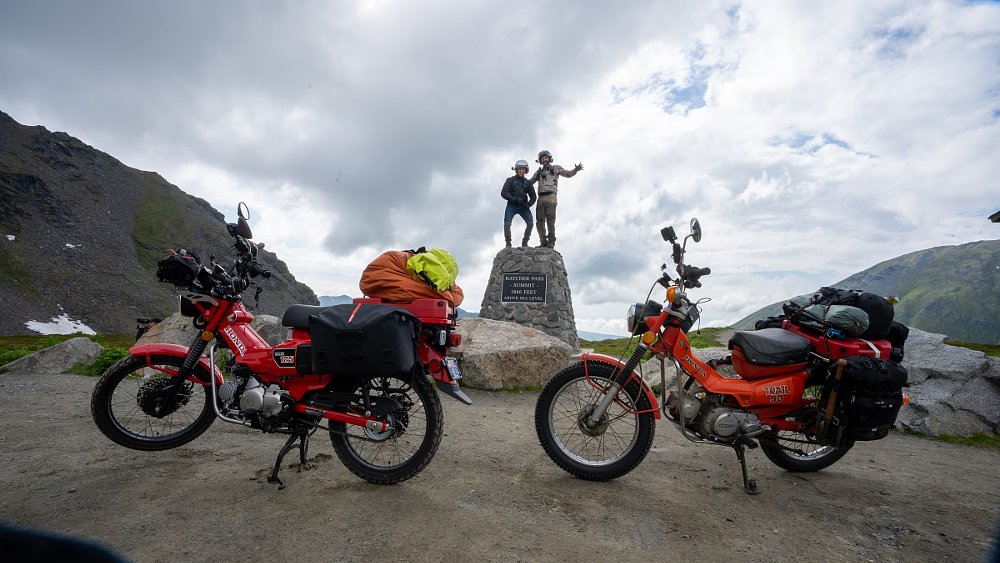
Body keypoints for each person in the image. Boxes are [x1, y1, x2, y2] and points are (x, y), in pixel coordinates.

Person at [528, 149, 582, 248]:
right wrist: (519, 183)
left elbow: (568, 174)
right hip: (540, 198)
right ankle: (543, 242)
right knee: (539, 222)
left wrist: (576, 170)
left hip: (551, 198)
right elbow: (530, 182)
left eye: (546, 157)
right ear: (540, 160)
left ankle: (551, 242)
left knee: (550, 221)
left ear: (549, 159)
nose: (544, 159)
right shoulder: (539, 172)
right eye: (542, 158)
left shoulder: (556, 168)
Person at [500, 159, 537, 248]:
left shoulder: (528, 183)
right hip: (511, 205)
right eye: (520, 169)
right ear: (516, 169)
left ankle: (525, 243)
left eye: (523, 169)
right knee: (507, 223)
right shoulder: (510, 180)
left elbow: (533, 196)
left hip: (523, 206)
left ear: (526, 170)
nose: (521, 170)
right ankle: (508, 244)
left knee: (530, 223)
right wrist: (515, 199)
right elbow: (504, 193)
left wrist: (528, 204)